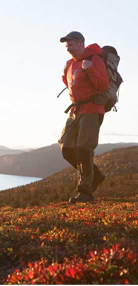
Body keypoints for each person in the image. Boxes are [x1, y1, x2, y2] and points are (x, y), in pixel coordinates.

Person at [58, 31, 109, 203]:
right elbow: (70, 84)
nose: (68, 49)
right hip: (76, 111)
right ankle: (95, 176)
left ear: (80, 43)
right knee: (66, 147)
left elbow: (103, 85)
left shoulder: (94, 59)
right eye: (66, 46)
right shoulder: (70, 64)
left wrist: (90, 68)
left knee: (84, 149)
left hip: (92, 109)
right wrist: (66, 71)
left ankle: (85, 191)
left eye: (71, 45)